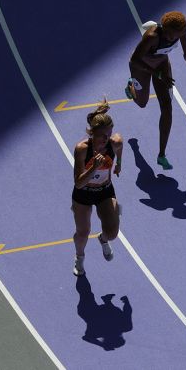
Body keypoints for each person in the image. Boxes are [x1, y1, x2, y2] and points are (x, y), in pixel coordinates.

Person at [125, 11, 186, 170]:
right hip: (141, 67)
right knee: (141, 103)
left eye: (175, 36)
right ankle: (131, 86)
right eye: (170, 36)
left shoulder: (180, 31)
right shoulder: (152, 37)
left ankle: (161, 155)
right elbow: (135, 60)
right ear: (164, 29)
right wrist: (156, 74)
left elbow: (183, 34)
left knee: (167, 108)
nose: (173, 39)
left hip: (161, 64)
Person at [71, 101, 123, 277]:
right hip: (83, 193)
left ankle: (103, 239)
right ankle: (79, 257)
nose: (106, 139)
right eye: (102, 135)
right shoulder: (82, 150)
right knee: (83, 232)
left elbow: (120, 146)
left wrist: (119, 165)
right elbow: (78, 183)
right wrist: (93, 167)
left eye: (108, 134)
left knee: (113, 233)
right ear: (92, 134)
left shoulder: (114, 143)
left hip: (104, 191)